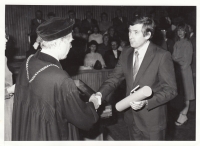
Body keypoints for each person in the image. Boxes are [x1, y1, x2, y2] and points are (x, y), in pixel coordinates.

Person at [12, 17, 99, 141]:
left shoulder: (28, 61)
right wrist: (93, 103)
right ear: (59, 42)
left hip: (27, 133)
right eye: (69, 42)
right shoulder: (61, 78)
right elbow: (84, 119)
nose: (70, 46)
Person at [91, 16, 177, 140]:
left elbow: (171, 90)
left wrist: (146, 102)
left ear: (148, 34)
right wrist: (100, 94)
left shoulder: (162, 56)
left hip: (152, 121)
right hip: (131, 119)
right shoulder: (126, 53)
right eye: (130, 31)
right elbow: (114, 78)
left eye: (135, 32)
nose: (130, 36)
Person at [172, 23, 195, 126]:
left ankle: (183, 115)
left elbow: (187, 61)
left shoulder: (188, 44)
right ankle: (181, 113)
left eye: (182, 30)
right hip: (177, 72)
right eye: (178, 30)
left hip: (185, 72)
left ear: (186, 32)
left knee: (186, 94)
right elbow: (173, 58)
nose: (180, 32)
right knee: (180, 94)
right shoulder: (176, 43)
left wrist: (178, 61)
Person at [5, 32, 15, 141]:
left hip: (8, 105)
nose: (6, 40)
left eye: (5, 37)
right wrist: (10, 90)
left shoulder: (3, 58)